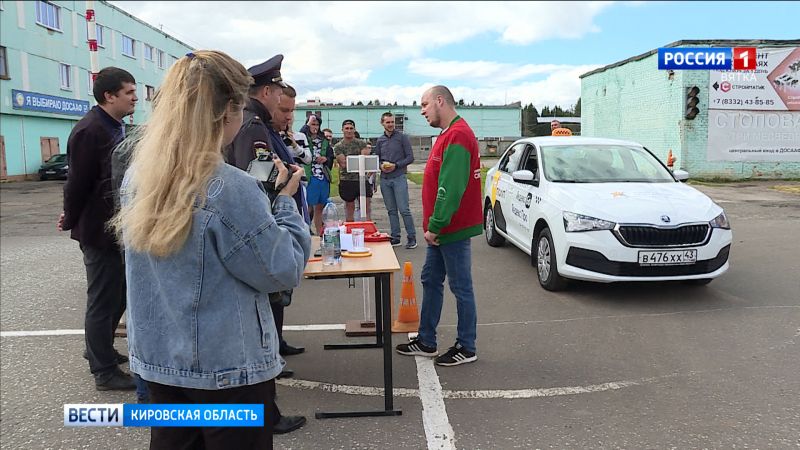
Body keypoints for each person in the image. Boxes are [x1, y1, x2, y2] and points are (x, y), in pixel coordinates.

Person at [113, 50, 311, 449]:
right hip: (226, 370)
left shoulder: (140, 176)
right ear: (227, 114)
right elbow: (282, 270)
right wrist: (286, 203)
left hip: (159, 363)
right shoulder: (230, 187)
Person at [224, 54, 308, 435]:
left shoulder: (256, 123)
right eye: (281, 98)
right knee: (264, 325)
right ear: (269, 91)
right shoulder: (254, 126)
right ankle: (268, 415)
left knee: (270, 321)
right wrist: (288, 185)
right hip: (266, 231)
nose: (284, 108)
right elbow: (259, 183)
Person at [57, 67, 138, 391]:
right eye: (129, 92)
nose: (135, 98)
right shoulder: (91, 130)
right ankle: (103, 370)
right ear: (110, 96)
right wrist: (70, 217)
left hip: (115, 229)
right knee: (103, 300)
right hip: (98, 231)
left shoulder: (114, 126)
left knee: (118, 294)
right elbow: (77, 183)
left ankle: (100, 350)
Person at [396, 86, 482, 367]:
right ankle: (426, 339)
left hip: (449, 229)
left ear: (440, 101)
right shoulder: (447, 134)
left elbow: (450, 187)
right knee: (430, 279)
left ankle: (466, 346)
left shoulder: (457, 135)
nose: (421, 111)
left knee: (461, 287)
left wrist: (436, 225)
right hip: (442, 230)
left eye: (424, 105)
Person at [374, 112, 416, 249]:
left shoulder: (402, 138)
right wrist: (381, 165)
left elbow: (410, 157)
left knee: (404, 209)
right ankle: (395, 237)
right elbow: (377, 158)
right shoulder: (380, 140)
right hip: (385, 179)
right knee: (391, 210)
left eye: (392, 122)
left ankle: (411, 237)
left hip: (399, 177)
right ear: (382, 123)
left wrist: (396, 165)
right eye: (388, 122)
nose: (391, 124)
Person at [300, 115, 334, 235]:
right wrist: (308, 123)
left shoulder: (323, 140)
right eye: (312, 124)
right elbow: (301, 133)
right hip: (310, 175)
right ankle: (306, 230)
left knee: (320, 206)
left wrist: (326, 159)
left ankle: (320, 232)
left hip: (322, 176)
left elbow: (331, 156)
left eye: (316, 124)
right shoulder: (303, 137)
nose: (314, 127)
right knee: (308, 205)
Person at [334, 119, 371, 221]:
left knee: (366, 207)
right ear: (342, 130)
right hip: (347, 180)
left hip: (362, 179)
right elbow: (343, 164)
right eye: (347, 128)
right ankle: (350, 229)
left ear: (354, 130)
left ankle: (367, 230)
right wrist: (357, 160)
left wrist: (352, 160)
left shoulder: (362, 143)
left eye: (351, 128)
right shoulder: (338, 146)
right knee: (349, 208)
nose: (349, 131)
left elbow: (365, 160)